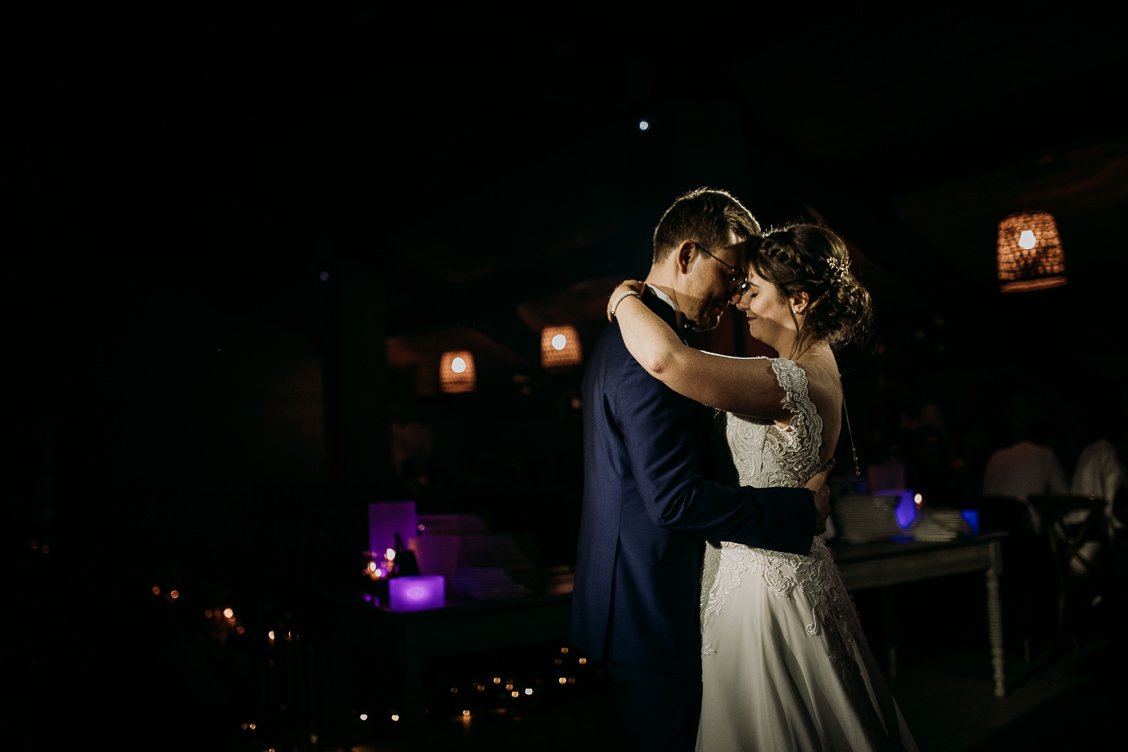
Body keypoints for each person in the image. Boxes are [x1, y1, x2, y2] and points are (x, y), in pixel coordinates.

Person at [611, 223, 916, 750]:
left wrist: (621, 301)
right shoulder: (818, 368)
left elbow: (667, 360)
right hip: (787, 573)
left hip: (763, 595)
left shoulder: (788, 380)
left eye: (752, 290)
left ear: (798, 300)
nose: (740, 302)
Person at [571, 189, 833, 752]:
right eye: (732, 274)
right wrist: (796, 510)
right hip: (652, 611)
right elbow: (674, 500)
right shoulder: (650, 355)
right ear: (688, 254)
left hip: (640, 600)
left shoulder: (634, 333)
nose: (735, 295)